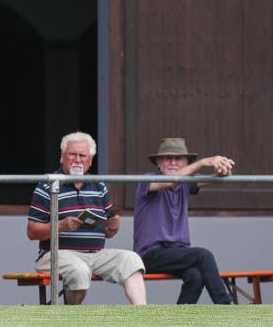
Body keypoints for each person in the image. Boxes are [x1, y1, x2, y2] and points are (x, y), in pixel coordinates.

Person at [27, 131, 146, 305]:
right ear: (63, 157)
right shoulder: (47, 185)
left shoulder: (99, 186)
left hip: (95, 254)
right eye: (72, 154)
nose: (77, 160)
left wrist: (112, 226)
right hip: (56, 254)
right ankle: (73, 319)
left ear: (90, 160)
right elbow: (31, 232)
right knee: (79, 270)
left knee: (132, 259)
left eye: (82, 155)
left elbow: (108, 233)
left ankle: (143, 314)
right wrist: (60, 225)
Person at [133, 138, 235, 304]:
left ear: (186, 162)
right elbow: (172, 180)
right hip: (150, 254)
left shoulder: (186, 183)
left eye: (178, 158)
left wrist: (223, 170)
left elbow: (214, 179)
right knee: (203, 255)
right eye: (167, 158)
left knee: (195, 276)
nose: (173, 162)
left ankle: (179, 321)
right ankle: (225, 306)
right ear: (159, 162)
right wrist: (203, 162)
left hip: (177, 252)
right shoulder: (148, 178)